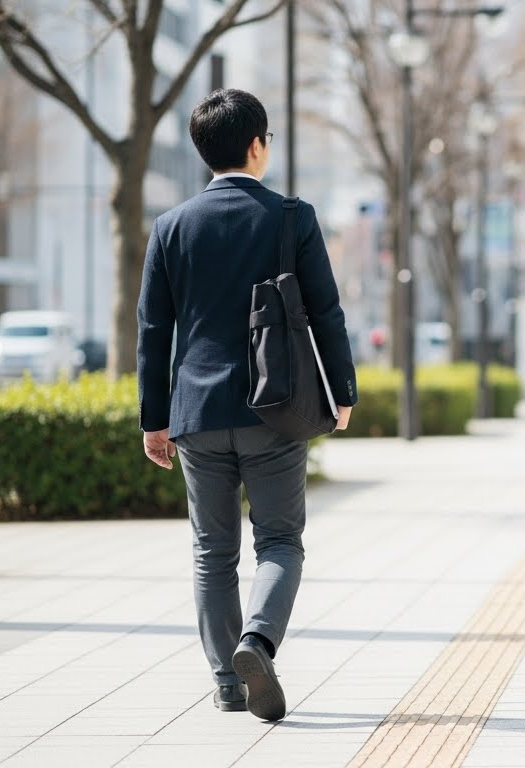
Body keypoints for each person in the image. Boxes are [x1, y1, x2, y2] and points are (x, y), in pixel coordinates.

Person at [137, 89, 357, 722]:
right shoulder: (291, 217)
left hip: (198, 412)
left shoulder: (171, 227)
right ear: (257, 143)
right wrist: (342, 393)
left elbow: (153, 331)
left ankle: (226, 685)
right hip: (277, 408)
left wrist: (155, 419)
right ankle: (256, 642)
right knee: (281, 541)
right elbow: (325, 311)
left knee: (213, 553)